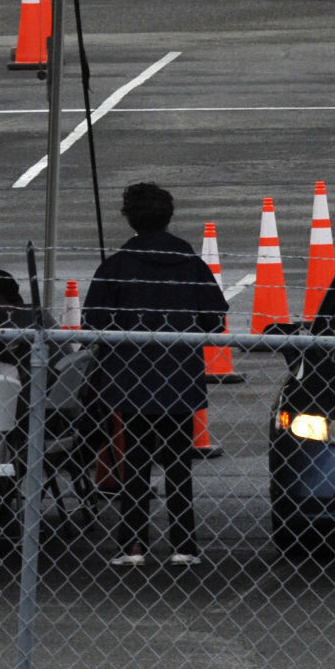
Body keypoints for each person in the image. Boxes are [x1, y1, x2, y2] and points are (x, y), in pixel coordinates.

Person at [83, 182, 229, 567]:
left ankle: (133, 545)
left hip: (131, 380)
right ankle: (185, 545)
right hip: (179, 378)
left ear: (129, 217)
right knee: (179, 464)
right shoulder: (190, 263)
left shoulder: (116, 265)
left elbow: (94, 322)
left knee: (134, 464)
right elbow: (214, 320)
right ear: (169, 217)